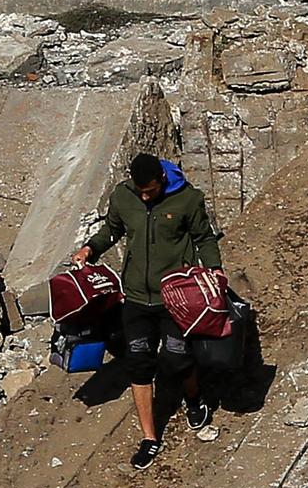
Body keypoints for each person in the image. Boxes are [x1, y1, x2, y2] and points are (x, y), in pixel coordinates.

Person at [76, 152, 225, 463]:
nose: (145, 196)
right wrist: (91, 248)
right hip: (134, 298)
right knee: (139, 364)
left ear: (162, 180)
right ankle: (149, 437)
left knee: (177, 358)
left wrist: (214, 269)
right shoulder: (123, 196)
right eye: (141, 190)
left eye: (151, 190)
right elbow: (112, 230)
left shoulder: (187, 199)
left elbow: (204, 238)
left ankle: (194, 397)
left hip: (175, 298)